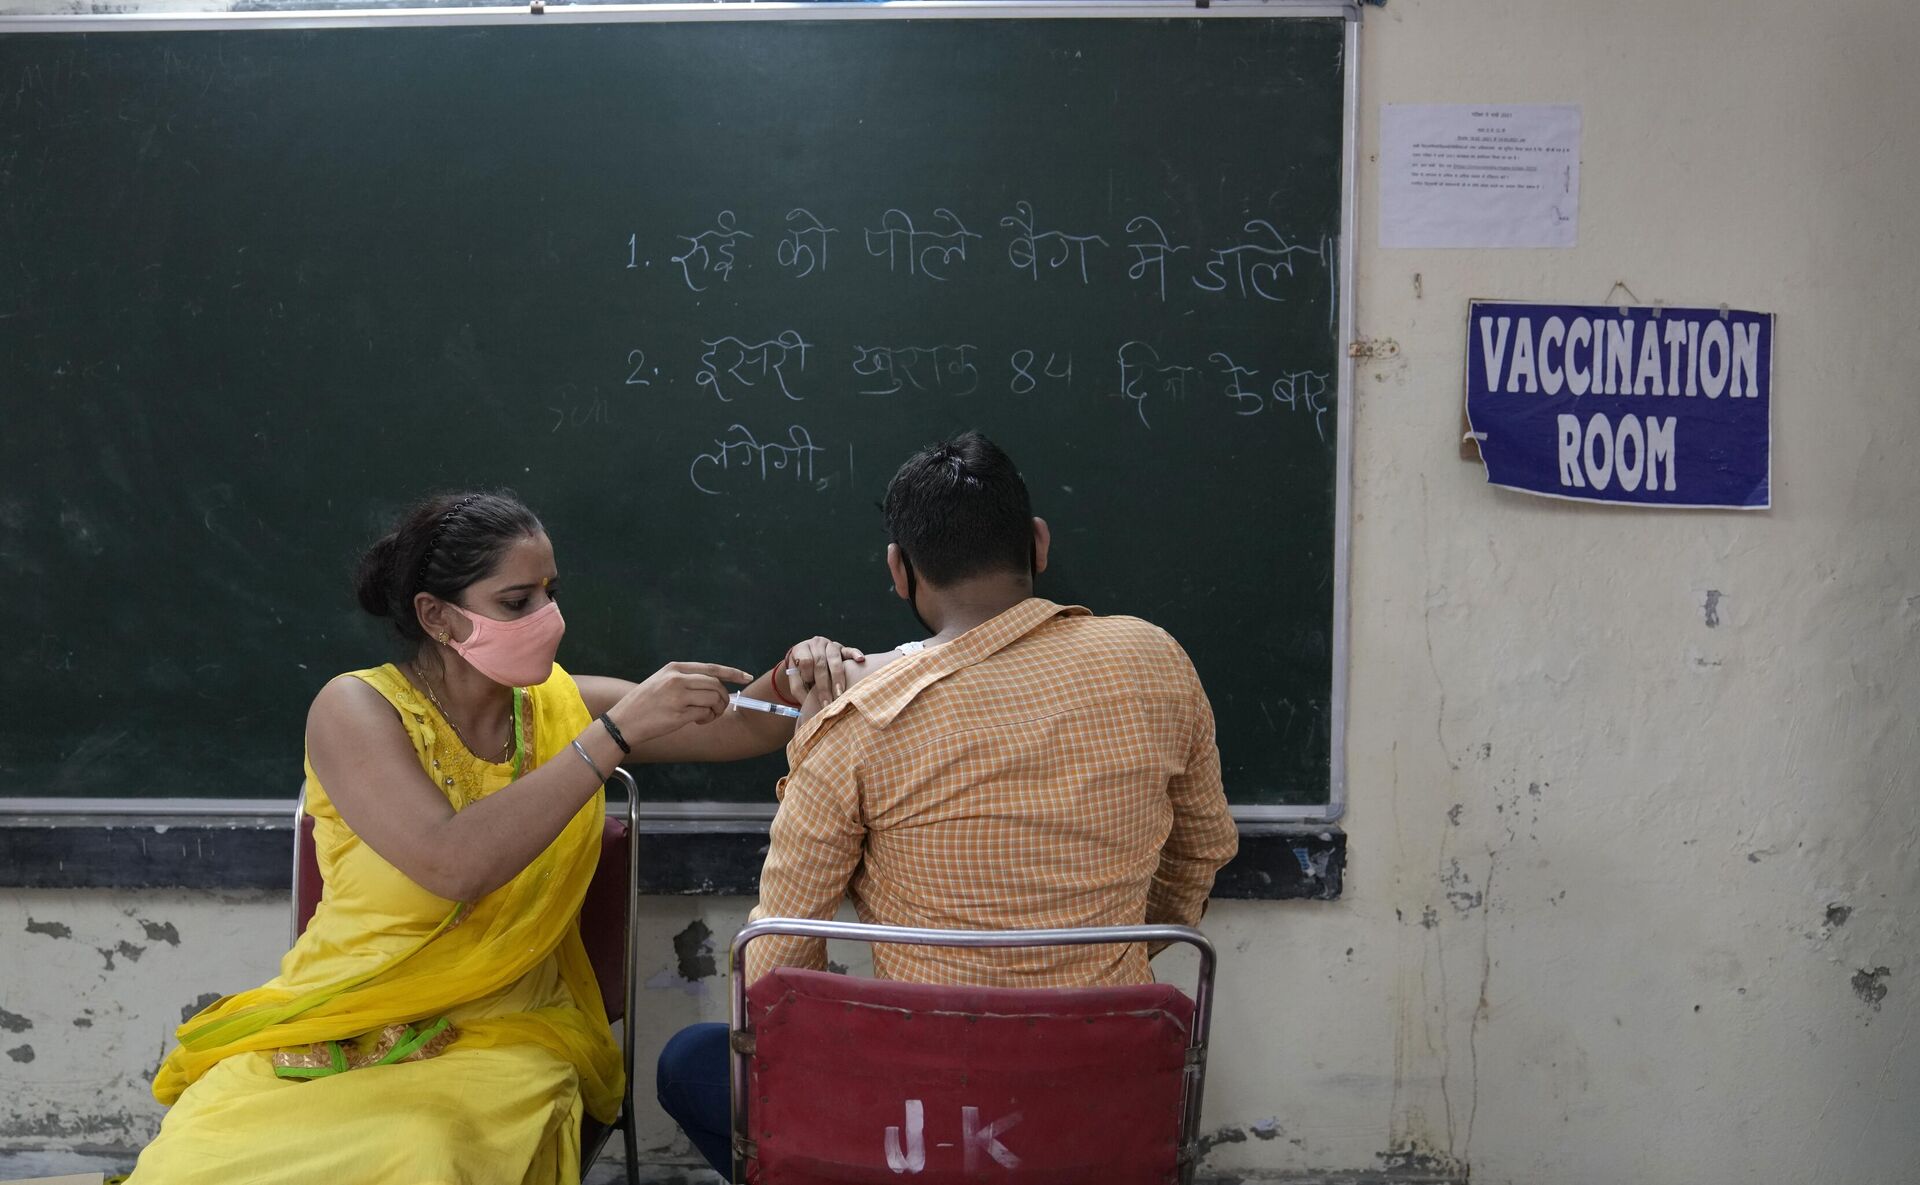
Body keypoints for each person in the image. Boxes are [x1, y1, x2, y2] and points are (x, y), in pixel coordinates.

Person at [126, 490, 858, 1185]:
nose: (551, 617)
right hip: (342, 1015)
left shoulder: (558, 707)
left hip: (504, 1031)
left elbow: (742, 723)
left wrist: (793, 676)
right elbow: (454, 862)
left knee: (427, 1152)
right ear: (437, 616)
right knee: (200, 1157)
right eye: (518, 601)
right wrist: (615, 734)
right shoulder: (355, 708)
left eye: (550, 590)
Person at [656, 432, 1239, 1178]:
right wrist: (1083, 970)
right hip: (1103, 1095)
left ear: (900, 571)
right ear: (1037, 542)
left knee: (693, 1061)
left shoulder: (859, 718)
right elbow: (1200, 852)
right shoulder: (1155, 660)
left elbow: (776, 971)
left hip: (925, 1118)